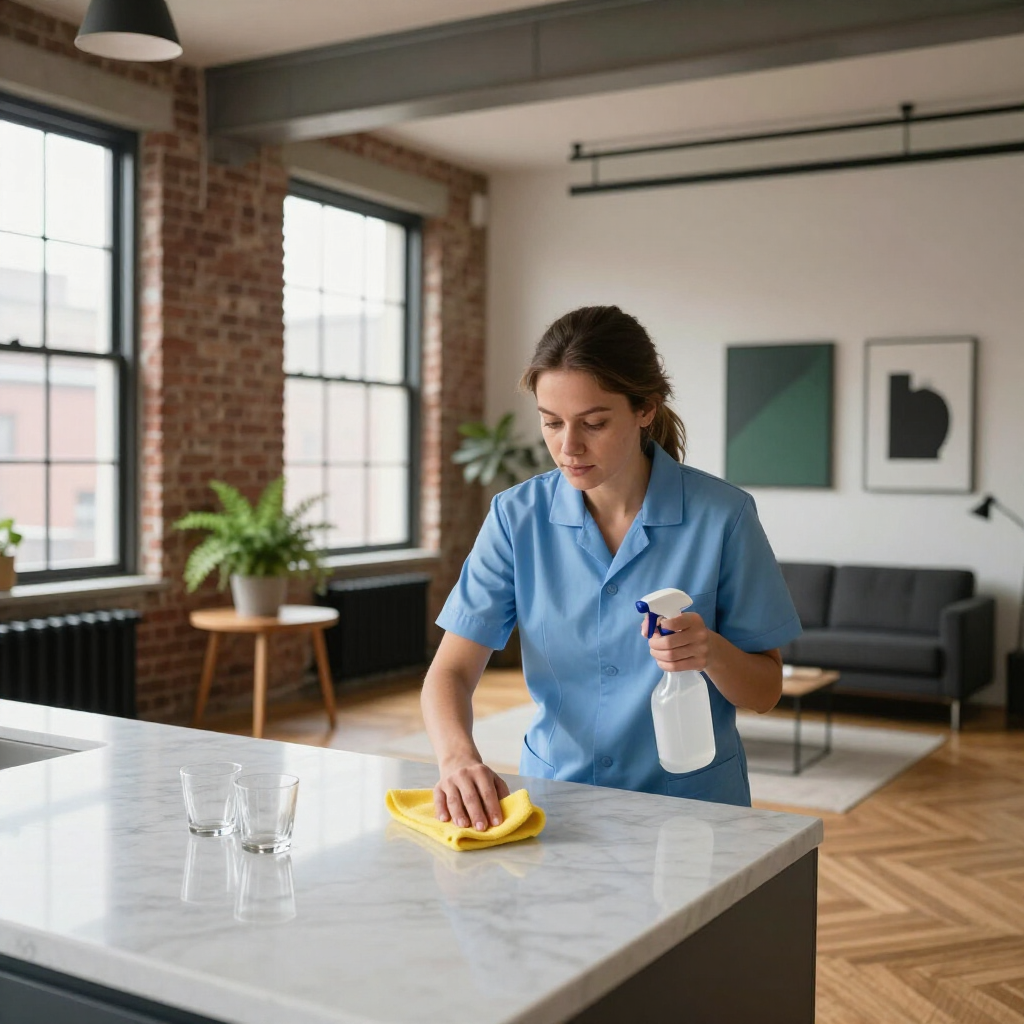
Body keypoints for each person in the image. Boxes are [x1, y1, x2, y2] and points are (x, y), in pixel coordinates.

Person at [421, 306, 801, 831]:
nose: (567, 447)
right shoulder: (516, 518)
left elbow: (766, 691)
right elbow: (451, 672)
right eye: (551, 422)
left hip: (693, 809)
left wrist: (710, 651)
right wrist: (457, 757)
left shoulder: (724, 517)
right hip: (559, 803)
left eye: (594, 423)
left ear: (645, 408)